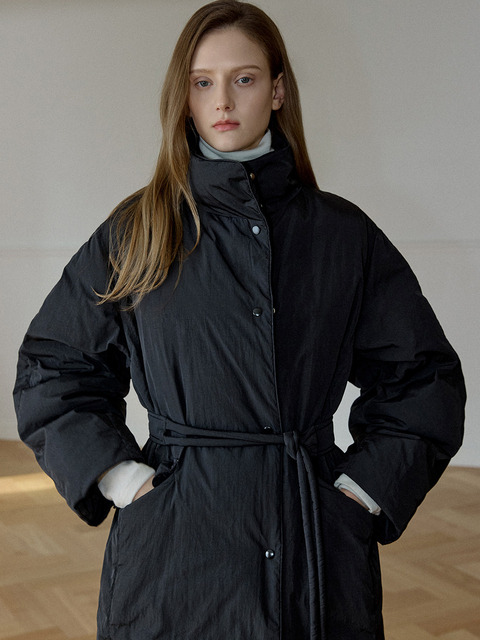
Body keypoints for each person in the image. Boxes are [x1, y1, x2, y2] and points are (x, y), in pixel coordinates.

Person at [13, 1, 465, 639]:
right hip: (175, 548)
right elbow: (53, 369)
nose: (222, 100)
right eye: (203, 82)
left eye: (243, 78)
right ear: (184, 99)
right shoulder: (139, 232)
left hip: (313, 544)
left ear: (277, 91)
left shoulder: (341, 235)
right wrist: (124, 480)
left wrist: (362, 494)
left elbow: (423, 378)